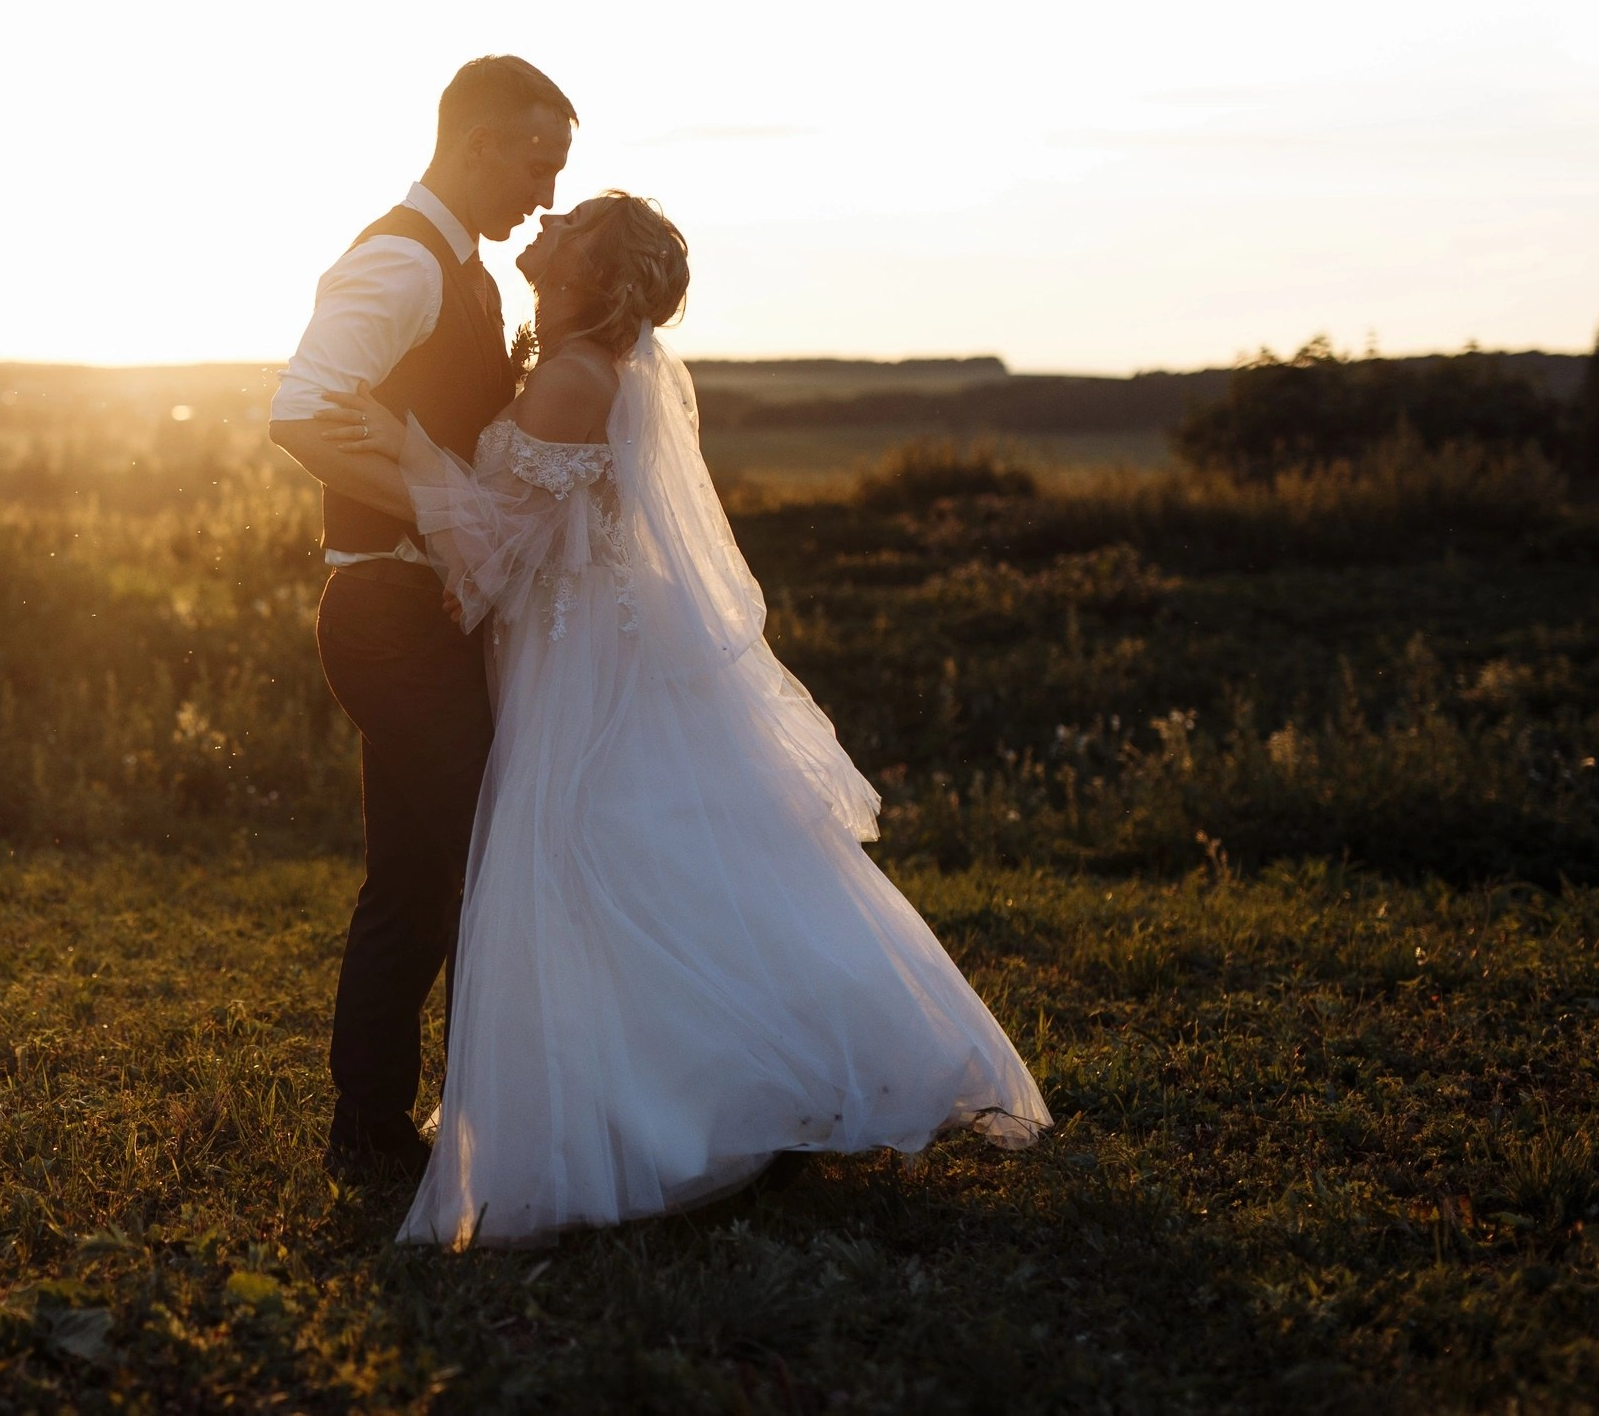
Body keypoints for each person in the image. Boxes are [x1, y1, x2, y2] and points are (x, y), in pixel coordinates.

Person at [317, 193, 1051, 1246]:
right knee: (643, 863)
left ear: (590, 273)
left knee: (588, 863)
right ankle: (710, 1086)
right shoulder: (576, 369)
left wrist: (403, 450)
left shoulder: (573, 379)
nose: (549, 220)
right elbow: (522, 528)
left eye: (568, 225)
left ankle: (692, 1108)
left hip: (580, 657)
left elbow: (493, 542)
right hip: (586, 640)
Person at [268, 55, 575, 1179]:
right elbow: (300, 412)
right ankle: (423, 1128)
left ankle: (375, 1128)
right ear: (478, 141)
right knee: (465, 857)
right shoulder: (400, 261)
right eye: (537, 162)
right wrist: (446, 519)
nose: (543, 193)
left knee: (420, 868)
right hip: (385, 606)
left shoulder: (470, 270)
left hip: (426, 607)